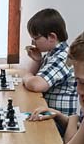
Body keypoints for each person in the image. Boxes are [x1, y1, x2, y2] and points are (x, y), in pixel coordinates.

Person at [20, 8, 78, 136]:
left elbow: (36, 84)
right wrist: (37, 61)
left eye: (35, 38)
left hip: (61, 123)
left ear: (52, 37)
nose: (32, 43)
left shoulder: (63, 57)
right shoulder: (52, 54)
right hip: (49, 115)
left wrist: (26, 76)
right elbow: (33, 79)